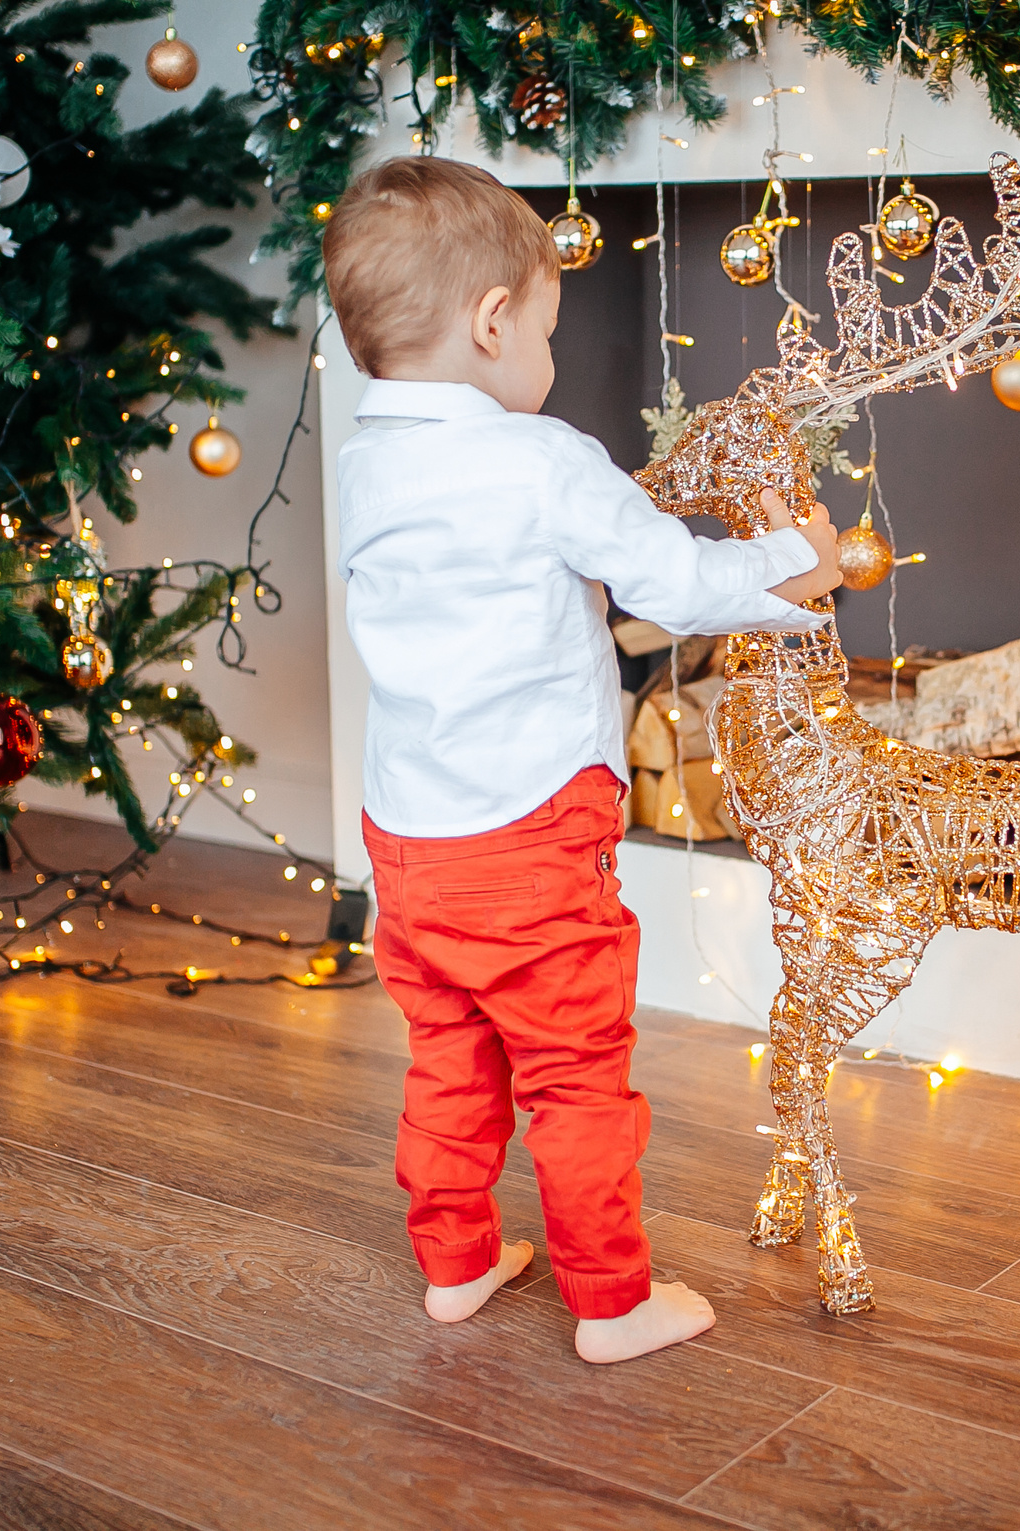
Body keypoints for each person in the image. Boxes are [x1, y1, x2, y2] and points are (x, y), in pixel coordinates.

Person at [322, 157, 842, 1364]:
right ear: (493, 321)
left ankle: (453, 1264)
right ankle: (612, 1302)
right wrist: (790, 560)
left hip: (408, 837)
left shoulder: (368, 463)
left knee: (449, 1052)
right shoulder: (541, 457)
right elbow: (673, 581)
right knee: (574, 1071)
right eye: (547, 327)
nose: (549, 355)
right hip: (531, 836)